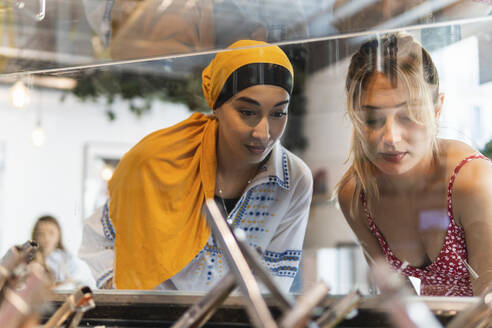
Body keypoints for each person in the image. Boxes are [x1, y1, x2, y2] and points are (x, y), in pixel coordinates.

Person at [79, 39, 313, 292]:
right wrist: (129, 303)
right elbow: (98, 239)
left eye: (278, 114)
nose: (263, 133)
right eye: (247, 112)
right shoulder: (156, 163)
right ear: (217, 107)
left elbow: (275, 278)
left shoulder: (293, 180)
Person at [336, 32, 492, 297]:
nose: (391, 138)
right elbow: (399, 302)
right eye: (372, 119)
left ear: (437, 109)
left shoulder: (472, 182)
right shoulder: (357, 196)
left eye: (409, 116)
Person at [31, 215, 95, 290]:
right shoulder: (30, 261)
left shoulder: (67, 258)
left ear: (58, 234)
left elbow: (76, 281)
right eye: (41, 234)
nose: (46, 238)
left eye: (51, 233)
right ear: (35, 236)